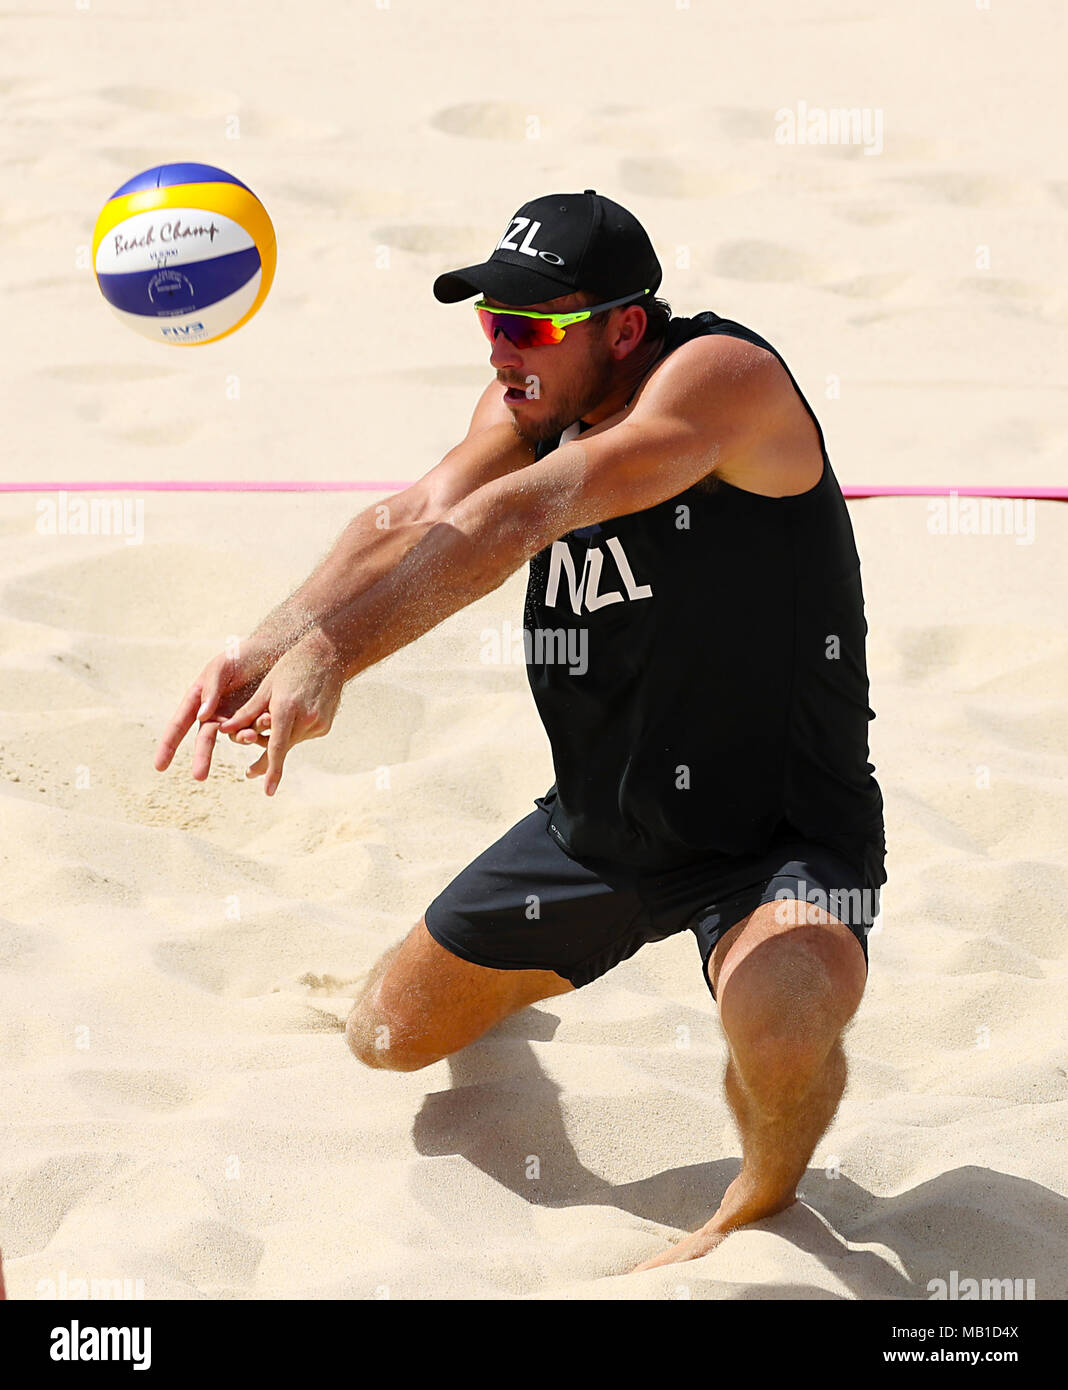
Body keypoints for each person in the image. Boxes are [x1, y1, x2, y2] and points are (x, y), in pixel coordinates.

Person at [154, 190, 886, 1271]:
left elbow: (510, 517)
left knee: (778, 1022)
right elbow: (406, 519)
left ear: (624, 328)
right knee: (384, 1040)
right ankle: (526, 1002)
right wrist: (270, 643)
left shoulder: (720, 380)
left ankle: (758, 1199)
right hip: (598, 831)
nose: (503, 345)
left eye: (533, 323)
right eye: (490, 317)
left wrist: (338, 658)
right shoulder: (536, 398)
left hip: (778, 836)